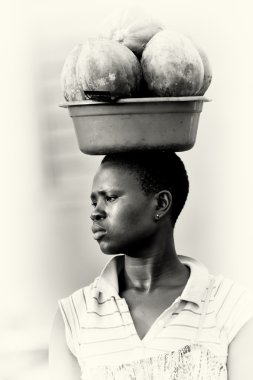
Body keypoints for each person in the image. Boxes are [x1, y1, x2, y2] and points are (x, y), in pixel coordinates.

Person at [49, 151, 253, 380]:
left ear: (160, 203)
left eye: (111, 197)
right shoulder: (74, 317)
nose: (96, 212)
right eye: (94, 201)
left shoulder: (232, 308)